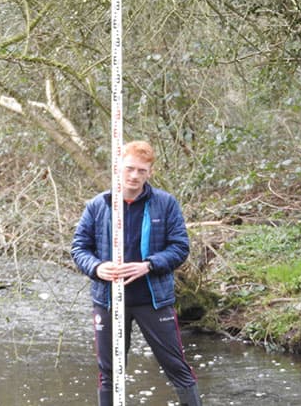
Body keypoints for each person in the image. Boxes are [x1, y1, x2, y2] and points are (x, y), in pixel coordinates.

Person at [71, 140, 202, 406]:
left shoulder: (164, 204)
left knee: (176, 367)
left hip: (153, 300)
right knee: (109, 373)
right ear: (118, 168)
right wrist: (97, 267)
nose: (134, 175)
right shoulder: (99, 205)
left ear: (150, 172)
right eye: (129, 168)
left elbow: (180, 247)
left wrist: (149, 264)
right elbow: (79, 248)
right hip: (108, 300)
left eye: (141, 171)